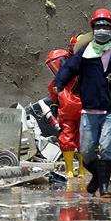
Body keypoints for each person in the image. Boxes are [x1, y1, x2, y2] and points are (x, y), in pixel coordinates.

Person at [54, 8, 111, 198]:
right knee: (86, 150)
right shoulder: (85, 53)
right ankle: (97, 178)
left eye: (106, 26)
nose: (102, 29)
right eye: (99, 26)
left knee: (107, 148)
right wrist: (59, 84)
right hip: (89, 109)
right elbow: (69, 69)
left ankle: (105, 187)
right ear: (93, 28)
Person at [45, 40, 82, 178]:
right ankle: (71, 170)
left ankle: (78, 170)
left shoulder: (77, 73)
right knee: (69, 139)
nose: (56, 67)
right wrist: (54, 106)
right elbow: (54, 98)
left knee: (81, 139)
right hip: (69, 112)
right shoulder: (56, 83)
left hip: (77, 110)